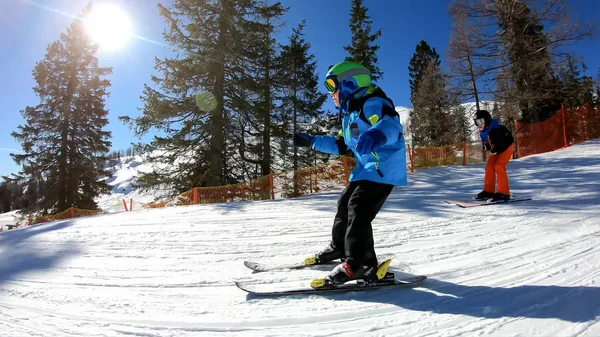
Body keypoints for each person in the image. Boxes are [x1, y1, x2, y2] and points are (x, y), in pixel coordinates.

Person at [292, 61, 407, 284]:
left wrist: (377, 134)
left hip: (383, 168)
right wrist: (313, 142)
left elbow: (391, 124)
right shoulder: (350, 116)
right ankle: (340, 248)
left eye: (331, 86)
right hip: (365, 170)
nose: (330, 94)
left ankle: (361, 263)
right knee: (345, 204)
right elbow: (343, 146)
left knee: (359, 207)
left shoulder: (372, 103)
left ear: (350, 83)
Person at [473, 109, 515, 202]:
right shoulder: (483, 131)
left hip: (506, 147)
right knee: (489, 168)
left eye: (480, 121)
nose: (478, 124)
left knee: (499, 166)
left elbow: (503, 142)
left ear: (486, 120)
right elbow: (490, 141)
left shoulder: (496, 129)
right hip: (496, 148)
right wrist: (488, 145)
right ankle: (488, 191)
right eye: (476, 122)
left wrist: (496, 148)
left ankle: (504, 193)